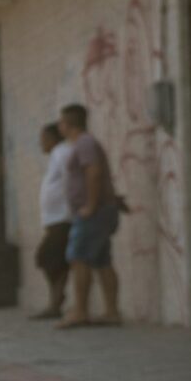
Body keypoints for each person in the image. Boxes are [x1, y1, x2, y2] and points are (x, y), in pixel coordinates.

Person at [58, 104, 120, 329]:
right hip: (101, 210)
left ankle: (80, 311)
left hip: (93, 212)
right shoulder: (85, 143)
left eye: (61, 122)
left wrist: (90, 206)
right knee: (102, 260)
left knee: (78, 258)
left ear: (68, 123)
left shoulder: (84, 143)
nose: (59, 126)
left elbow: (93, 173)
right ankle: (112, 312)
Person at [32, 123, 73, 319]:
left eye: (43, 138)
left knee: (48, 258)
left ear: (52, 138)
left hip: (63, 218)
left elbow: (72, 179)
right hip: (55, 219)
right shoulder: (57, 155)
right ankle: (56, 300)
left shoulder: (62, 152)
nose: (41, 143)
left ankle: (56, 301)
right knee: (52, 260)